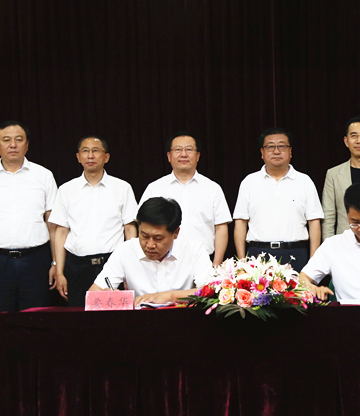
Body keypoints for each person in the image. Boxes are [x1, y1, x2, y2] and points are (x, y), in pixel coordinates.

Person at [0, 121, 58, 355]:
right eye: (6, 140)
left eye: (18, 139)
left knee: (36, 323)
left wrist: (56, 263)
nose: (12, 145)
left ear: (27, 144)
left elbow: (54, 225)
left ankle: (35, 374)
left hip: (36, 260)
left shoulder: (44, 175)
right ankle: (0, 376)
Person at [49, 136, 138, 306]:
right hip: (77, 266)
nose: (90, 156)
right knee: (78, 317)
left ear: (106, 157)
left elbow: (130, 229)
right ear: (78, 157)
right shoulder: (66, 190)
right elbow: (61, 232)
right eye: (85, 151)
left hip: (112, 264)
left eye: (96, 151)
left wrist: (130, 268)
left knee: (114, 317)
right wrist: (59, 272)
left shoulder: (122, 188)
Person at [89, 197, 212, 306]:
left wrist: (168, 296)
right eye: (144, 236)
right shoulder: (124, 251)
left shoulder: (194, 250)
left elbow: (210, 291)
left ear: (176, 233)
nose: (150, 245)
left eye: (158, 238)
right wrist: (108, 296)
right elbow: (93, 292)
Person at [233, 128, 324, 272]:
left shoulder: (304, 181)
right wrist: (242, 261)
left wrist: (313, 261)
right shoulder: (249, 182)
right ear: (262, 152)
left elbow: (314, 222)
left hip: (296, 254)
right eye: (270, 147)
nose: (276, 151)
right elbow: (240, 222)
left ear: (290, 151)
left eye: (282, 146)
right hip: (258, 255)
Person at [140, 133, 232, 266]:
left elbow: (221, 227)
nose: (183, 154)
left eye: (189, 150)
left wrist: (216, 264)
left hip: (203, 261)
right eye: (178, 149)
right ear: (169, 156)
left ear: (198, 156)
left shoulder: (213, 188)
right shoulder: (155, 188)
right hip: (163, 262)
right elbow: (143, 225)